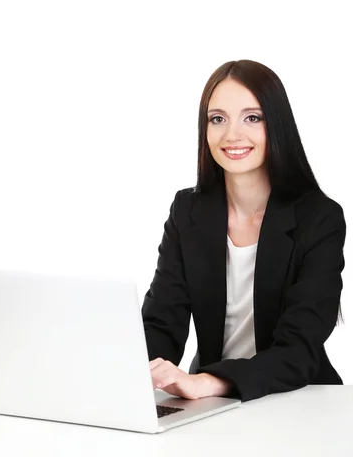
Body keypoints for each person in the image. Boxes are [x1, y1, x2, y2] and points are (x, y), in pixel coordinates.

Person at [141, 59, 346, 403]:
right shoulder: (188, 212)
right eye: (217, 119)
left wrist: (209, 381)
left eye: (252, 118)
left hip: (300, 399)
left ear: (276, 124)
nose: (232, 135)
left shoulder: (319, 218)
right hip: (211, 401)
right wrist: (128, 374)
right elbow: (162, 323)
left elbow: (298, 350)